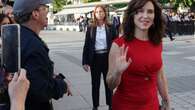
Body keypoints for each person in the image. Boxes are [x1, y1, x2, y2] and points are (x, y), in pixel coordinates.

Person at [106, 0, 171, 110]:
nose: (145, 16)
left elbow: (160, 75)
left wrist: (166, 99)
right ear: (132, 15)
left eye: (150, 12)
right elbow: (111, 85)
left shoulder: (157, 42)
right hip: (125, 106)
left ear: (155, 16)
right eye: (140, 11)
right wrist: (118, 72)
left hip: (152, 105)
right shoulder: (118, 45)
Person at [12, 0, 71, 110]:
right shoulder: (33, 45)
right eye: (45, 8)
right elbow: (41, 90)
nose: (47, 13)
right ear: (35, 14)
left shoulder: (19, 37)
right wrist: (62, 85)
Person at [82, 5, 117, 110]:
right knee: (95, 84)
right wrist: (85, 62)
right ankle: (95, 106)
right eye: (97, 12)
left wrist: (116, 60)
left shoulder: (111, 27)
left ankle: (111, 105)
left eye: (101, 11)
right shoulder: (91, 28)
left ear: (104, 13)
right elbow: (87, 45)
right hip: (95, 59)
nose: (99, 14)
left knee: (109, 84)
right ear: (94, 14)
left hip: (107, 58)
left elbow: (117, 44)